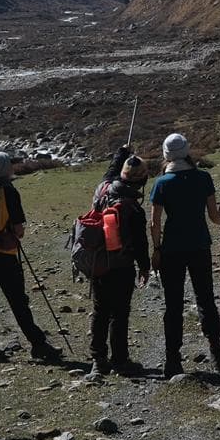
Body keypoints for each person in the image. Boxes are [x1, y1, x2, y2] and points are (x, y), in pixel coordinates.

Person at [148, 133, 220, 377]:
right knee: (205, 299)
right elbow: (213, 216)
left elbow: (155, 223)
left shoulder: (161, 183)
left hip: (171, 249)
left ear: (166, 154)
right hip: (199, 246)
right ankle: (216, 355)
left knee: (173, 305)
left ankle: (172, 360)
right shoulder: (203, 178)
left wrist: (156, 248)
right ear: (186, 151)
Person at [0, 151, 64, 363]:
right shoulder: (9, 191)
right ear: (2, 167)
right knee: (18, 301)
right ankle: (38, 345)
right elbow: (18, 230)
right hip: (5, 254)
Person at [89, 146, 152, 377]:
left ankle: (98, 360)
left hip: (97, 261)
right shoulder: (133, 208)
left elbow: (110, 174)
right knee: (119, 312)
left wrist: (121, 154)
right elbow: (140, 243)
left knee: (100, 311)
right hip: (121, 266)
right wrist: (144, 267)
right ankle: (120, 360)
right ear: (142, 180)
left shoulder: (103, 190)